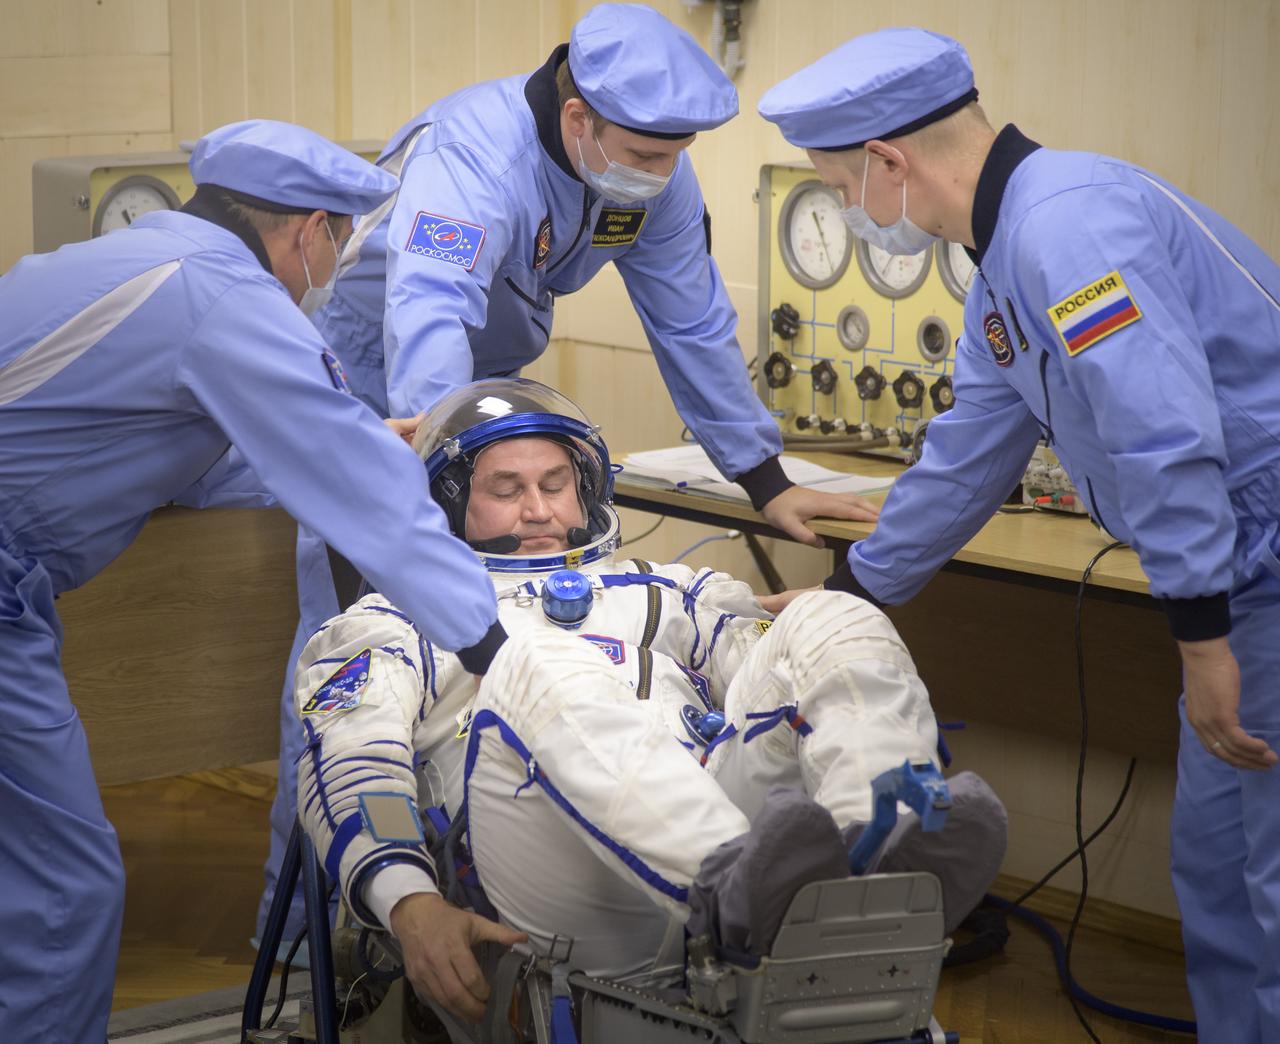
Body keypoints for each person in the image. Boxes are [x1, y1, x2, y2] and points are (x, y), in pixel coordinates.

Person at [258, 0, 880, 945]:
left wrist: (765, 480)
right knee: (361, 678)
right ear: (579, 117)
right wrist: (444, 486)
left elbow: (693, 321)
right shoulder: (472, 156)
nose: (662, 176)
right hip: (389, 419)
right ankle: (314, 945)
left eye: (675, 156)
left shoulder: (645, 172)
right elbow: (429, 317)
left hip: (493, 417)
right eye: (647, 153)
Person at [756, 28, 1280, 1041]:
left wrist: (1203, 636)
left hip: (1257, 576)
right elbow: (971, 446)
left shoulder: (1066, 232)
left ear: (887, 163)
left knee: (1264, 880)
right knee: (1215, 872)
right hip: (1233, 575)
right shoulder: (1000, 255)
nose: (847, 213)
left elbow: (1162, 438)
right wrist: (849, 596)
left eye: (833, 186)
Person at [0, 119, 508, 1042]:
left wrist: (341, 444)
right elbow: (360, 487)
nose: (336, 264)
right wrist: (496, 647)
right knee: (62, 894)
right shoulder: (227, 293)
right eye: (342, 242)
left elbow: (177, 449)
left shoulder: (148, 255)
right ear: (309, 229)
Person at [290, 378, 1006, 1021]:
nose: (540, 509)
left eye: (557, 483)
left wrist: (798, 637)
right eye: (506, 489)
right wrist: (409, 904)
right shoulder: (395, 620)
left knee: (832, 618)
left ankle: (881, 851)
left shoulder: (669, 590)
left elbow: (780, 673)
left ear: (587, 488)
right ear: (447, 505)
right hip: (557, 890)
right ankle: (730, 882)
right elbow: (357, 768)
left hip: (732, 848)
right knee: (531, 662)